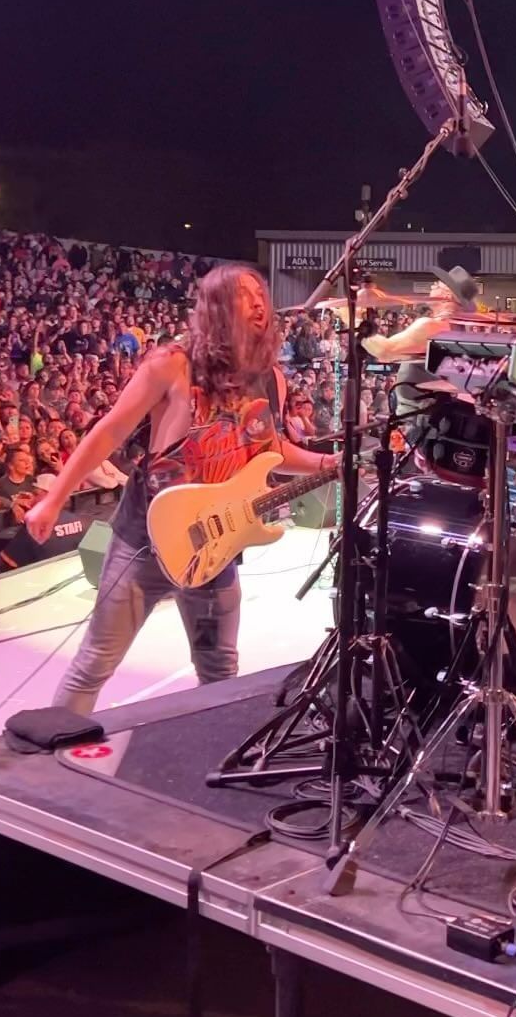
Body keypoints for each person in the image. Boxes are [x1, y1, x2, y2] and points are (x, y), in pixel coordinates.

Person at [26, 265, 339, 715]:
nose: (259, 302)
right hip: (145, 540)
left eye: (261, 293)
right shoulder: (173, 364)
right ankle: (56, 749)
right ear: (217, 306)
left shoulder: (271, 377)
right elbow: (108, 432)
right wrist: (54, 499)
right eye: (244, 294)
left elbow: (270, 450)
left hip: (215, 545)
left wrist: (328, 463)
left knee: (219, 668)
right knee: (95, 662)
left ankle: (212, 753)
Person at [360, 267, 479, 365]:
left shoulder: (432, 327)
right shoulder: (456, 329)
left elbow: (385, 351)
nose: (432, 286)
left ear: (447, 296)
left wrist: (357, 325)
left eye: (438, 285)